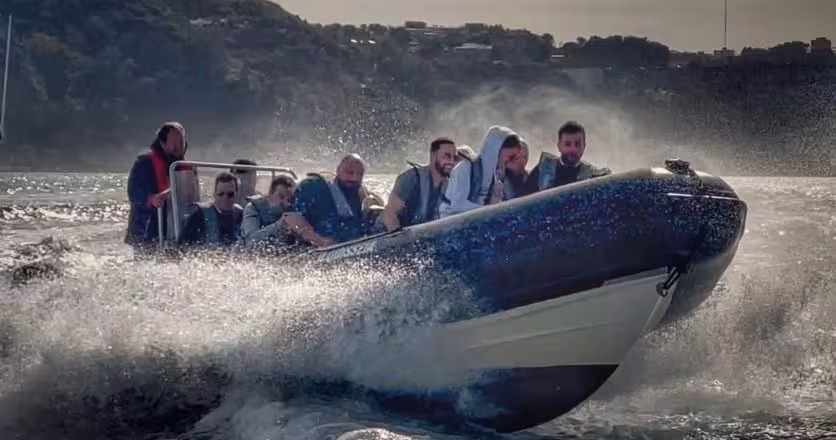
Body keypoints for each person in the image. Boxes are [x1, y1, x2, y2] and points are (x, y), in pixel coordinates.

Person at [283, 154, 381, 248]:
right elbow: (291, 217)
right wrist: (320, 241)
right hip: (313, 245)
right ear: (338, 170)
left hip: (349, 245)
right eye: (349, 172)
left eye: (360, 174)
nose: (355, 178)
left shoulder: (363, 195)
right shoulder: (313, 186)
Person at [125, 122, 194, 250]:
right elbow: (133, 192)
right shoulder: (144, 161)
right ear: (162, 142)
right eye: (174, 141)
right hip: (146, 229)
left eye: (181, 141)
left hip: (175, 228)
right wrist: (152, 199)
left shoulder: (185, 167)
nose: (179, 145)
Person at [439, 125, 526, 218]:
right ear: (496, 150)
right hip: (451, 222)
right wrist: (487, 210)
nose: (510, 161)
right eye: (510, 156)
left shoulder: (498, 177)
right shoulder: (465, 169)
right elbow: (457, 205)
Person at [381, 137, 457, 231]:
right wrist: (399, 237)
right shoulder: (411, 178)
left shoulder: (450, 187)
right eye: (447, 156)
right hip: (389, 233)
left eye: (454, 157)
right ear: (433, 156)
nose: (452, 161)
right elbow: (389, 213)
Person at [523, 121, 611, 195]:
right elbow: (523, 199)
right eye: (567, 144)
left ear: (584, 146)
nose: (573, 149)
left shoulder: (592, 177)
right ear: (559, 146)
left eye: (577, 144)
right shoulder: (543, 170)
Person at [178, 172, 244, 247]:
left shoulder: (241, 215)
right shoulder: (199, 215)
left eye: (230, 194)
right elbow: (182, 245)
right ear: (214, 194)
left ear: (237, 194)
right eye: (221, 194)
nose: (225, 198)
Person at [241, 175, 296, 248]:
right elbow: (250, 241)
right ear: (270, 194)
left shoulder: (292, 210)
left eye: (289, 199)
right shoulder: (253, 208)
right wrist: (278, 226)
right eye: (281, 197)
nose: (286, 203)